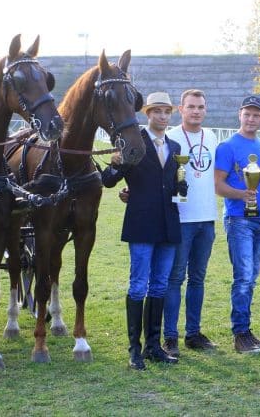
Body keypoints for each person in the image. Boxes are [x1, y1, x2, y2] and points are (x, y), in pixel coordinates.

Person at [101, 92, 184, 370]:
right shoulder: (134, 142)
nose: (162, 116)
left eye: (166, 112)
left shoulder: (173, 146)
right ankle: (134, 349)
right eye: (157, 111)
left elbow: (170, 184)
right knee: (138, 285)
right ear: (147, 114)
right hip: (141, 223)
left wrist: (180, 188)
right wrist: (116, 162)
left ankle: (153, 346)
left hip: (168, 223)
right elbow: (109, 180)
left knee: (159, 284)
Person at [162, 89, 219, 356]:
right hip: (181, 219)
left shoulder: (212, 137)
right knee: (175, 278)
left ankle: (193, 333)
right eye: (191, 107)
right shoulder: (171, 138)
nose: (196, 111)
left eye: (201, 107)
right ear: (181, 109)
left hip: (206, 219)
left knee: (198, 278)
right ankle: (170, 336)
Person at [214, 95, 260, 353]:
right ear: (239, 115)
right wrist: (241, 195)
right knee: (244, 277)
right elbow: (217, 185)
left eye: (256, 115)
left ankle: (247, 330)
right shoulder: (227, 146)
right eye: (247, 114)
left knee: (253, 278)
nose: (251, 119)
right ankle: (240, 334)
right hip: (238, 220)